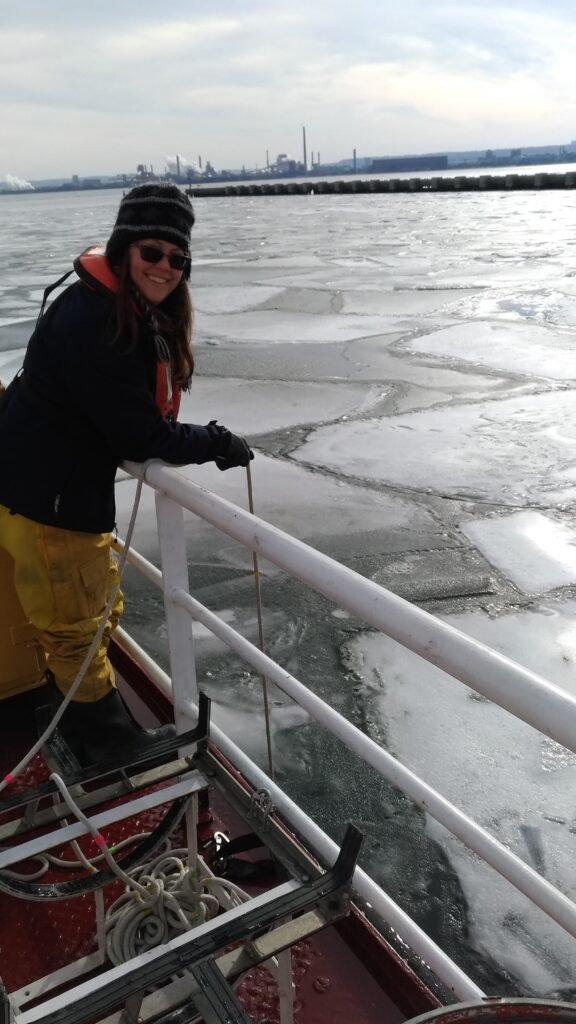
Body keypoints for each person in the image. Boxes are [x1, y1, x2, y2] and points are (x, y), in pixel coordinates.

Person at [0, 183, 253, 768]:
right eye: (152, 253)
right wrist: (216, 442)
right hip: (49, 503)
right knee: (75, 626)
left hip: (34, 489)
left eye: (177, 257)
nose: (166, 268)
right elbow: (140, 436)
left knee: (81, 613)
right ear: (123, 251)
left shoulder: (100, 304)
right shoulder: (98, 323)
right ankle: (109, 744)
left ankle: (75, 720)